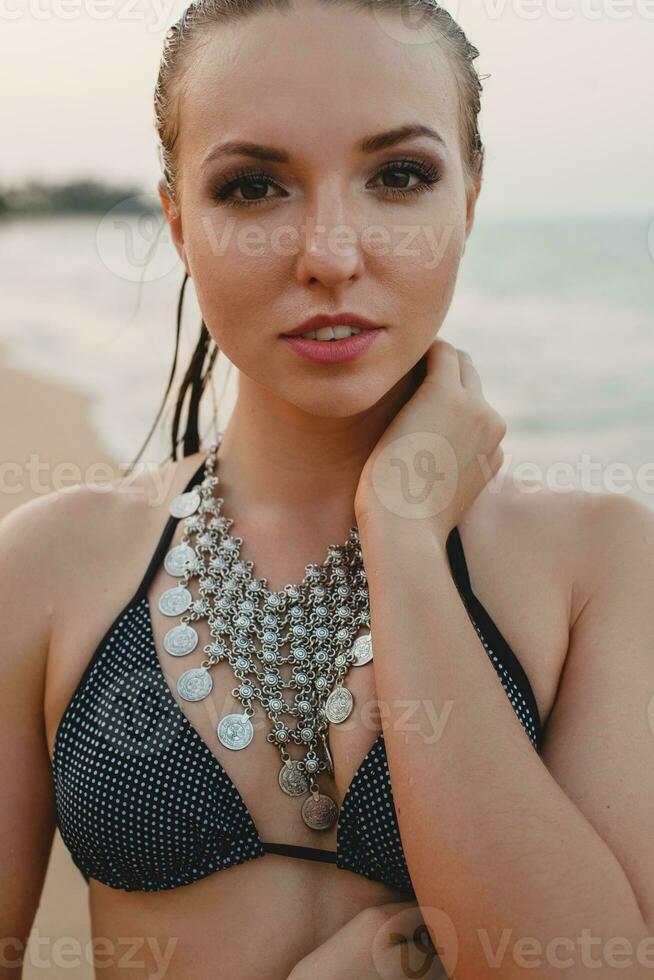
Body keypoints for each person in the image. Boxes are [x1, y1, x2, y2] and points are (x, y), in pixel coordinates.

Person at [3, 1, 654, 978]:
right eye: (254, 187)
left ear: (468, 199)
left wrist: (401, 532)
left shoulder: (603, 562)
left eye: (399, 176)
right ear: (177, 220)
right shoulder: (46, 565)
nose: (329, 255)